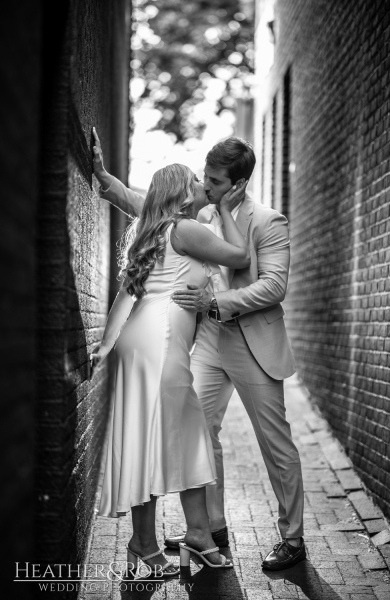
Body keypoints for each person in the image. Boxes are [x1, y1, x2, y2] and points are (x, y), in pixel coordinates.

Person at [92, 128, 306, 571]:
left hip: (253, 342)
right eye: (204, 178)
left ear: (238, 184)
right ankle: (209, 528)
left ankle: (293, 537)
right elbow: (148, 207)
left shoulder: (268, 222)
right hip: (206, 341)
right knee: (199, 434)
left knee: (275, 442)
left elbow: (273, 286)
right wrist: (105, 179)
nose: (207, 187)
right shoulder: (198, 216)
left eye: (215, 182)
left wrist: (215, 301)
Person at [90, 159, 251, 575]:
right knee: (167, 439)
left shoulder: (153, 231)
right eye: (196, 180)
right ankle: (147, 543)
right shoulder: (184, 228)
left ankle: (192, 533)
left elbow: (126, 297)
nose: (202, 184)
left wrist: (107, 345)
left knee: (173, 436)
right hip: (161, 344)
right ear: (182, 194)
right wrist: (230, 212)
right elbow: (238, 254)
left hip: (144, 341)